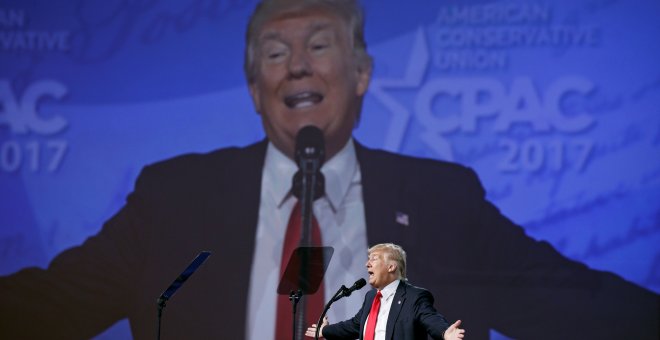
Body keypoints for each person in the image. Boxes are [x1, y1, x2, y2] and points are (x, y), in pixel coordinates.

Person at [0, 0, 658, 339]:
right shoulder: (174, 196)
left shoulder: (439, 199)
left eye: (318, 46)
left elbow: (567, 300)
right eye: (275, 53)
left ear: (363, 73)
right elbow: (51, 306)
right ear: (256, 89)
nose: (297, 65)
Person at [305, 243, 466, 340]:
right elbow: (354, 325)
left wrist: (445, 333)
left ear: (391, 266)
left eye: (374, 259)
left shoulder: (413, 296)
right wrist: (324, 330)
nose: (367, 264)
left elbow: (430, 319)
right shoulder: (371, 297)